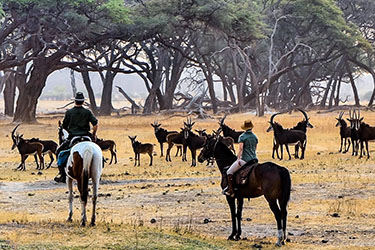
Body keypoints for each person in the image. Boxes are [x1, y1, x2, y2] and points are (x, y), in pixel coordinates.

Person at [54, 92, 98, 183]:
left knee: (59, 152)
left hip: (73, 137)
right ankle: (98, 171)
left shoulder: (69, 112)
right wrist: (93, 134)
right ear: (83, 102)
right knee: (97, 151)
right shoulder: (88, 112)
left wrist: (70, 130)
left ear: (75, 101)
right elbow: (95, 124)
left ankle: (62, 174)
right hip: (87, 136)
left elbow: (64, 126)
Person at [223, 119, 258, 197]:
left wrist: (238, 159)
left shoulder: (242, 137)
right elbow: (255, 148)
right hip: (254, 159)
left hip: (245, 160)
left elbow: (241, 149)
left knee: (229, 172)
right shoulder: (254, 137)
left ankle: (231, 190)